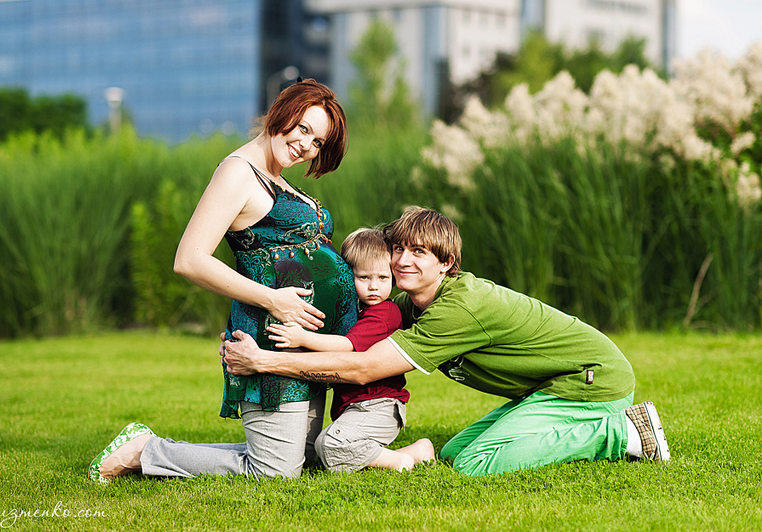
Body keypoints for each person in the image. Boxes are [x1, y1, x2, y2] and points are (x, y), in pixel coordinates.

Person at [221, 206, 670, 477]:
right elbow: (354, 336)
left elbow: (363, 367)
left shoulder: (458, 308)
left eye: (419, 252)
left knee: (476, 464)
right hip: (549, 387)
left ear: (446, 262)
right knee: (455, 452)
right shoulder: (411, 302)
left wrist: (264, 362)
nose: (403, 260)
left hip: (591, 381)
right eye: (399, 249)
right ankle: (606, 426)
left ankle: (621, 432)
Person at [89, 78, 357, 483]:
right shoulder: (238, 173)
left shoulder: (275, 175)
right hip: (271, 336)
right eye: (303, 128)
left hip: (303, 339)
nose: (306, 145)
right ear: (282, 112)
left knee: (299, 458)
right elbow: (190, 259)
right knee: (275, 472)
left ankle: (155, 449)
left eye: (317, 142)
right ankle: (145, 450)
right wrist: (273, 300)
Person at [266, 227, 435, 472]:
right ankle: (415, 452)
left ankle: (400, 461)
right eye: (364, 278)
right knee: (324, 450)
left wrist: (302, 338)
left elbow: (346, 346)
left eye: (383, 278)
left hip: (379, 407)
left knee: (328, 445)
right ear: (347, 275)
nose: (374, 287)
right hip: (356, 408)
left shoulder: (384, 314)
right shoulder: (353, 311)